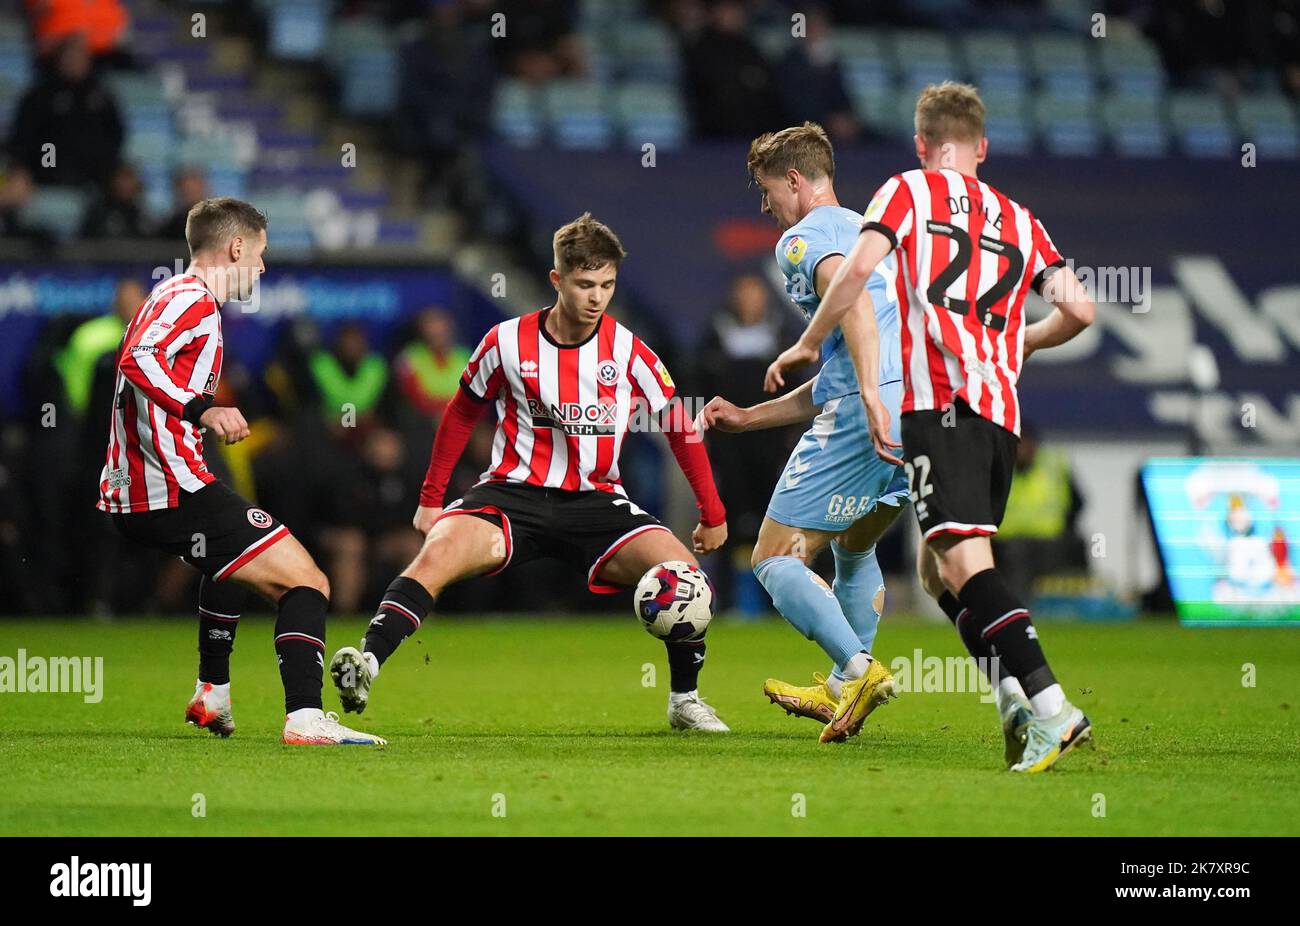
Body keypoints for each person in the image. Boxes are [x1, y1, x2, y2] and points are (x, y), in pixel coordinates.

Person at [767, 82, 1098, 772]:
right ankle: (1008, 698)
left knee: (960, 565)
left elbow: (855, 272)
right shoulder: (1019, 218)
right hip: (1001, 412)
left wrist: (807, 341)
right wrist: (1025, 342)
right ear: (982, 146)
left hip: (937, 404)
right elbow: (1082, 312)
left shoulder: (904, 193)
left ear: (921, 145)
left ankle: (1051, 706)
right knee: (936, 567)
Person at [329, 213, 733, 732]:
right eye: (585, 284)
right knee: (439, 551)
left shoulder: (628, 350)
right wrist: (431, 497)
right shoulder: (506, 341)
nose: (597, 298)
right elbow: (461, 413)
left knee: (688, 581)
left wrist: (712, 510)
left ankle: (683, 701)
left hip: (596, 502)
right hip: (510, 495)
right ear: (557, 279)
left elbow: (679, 424)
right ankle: (367, 664)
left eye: (607, 285)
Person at [96, 196, 385, 746]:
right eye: (260, 252)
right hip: (169, 488)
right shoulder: (192, 299)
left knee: (230, 563)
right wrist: (203, 408)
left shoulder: (178, 296)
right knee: (306, 581)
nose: (263, 266)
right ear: (235, 246)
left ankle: (212, 692)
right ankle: (305, 718)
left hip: (153, 489)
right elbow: (135, 357)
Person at [697, 121, 908, 743]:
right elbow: (845, 362)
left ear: (794, 179)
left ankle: (858, 668)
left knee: (773, 558)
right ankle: (845, 691)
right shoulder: (876, 233)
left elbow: (857, 310)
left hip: (861, 416)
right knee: (856, 546)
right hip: (916, 414)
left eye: (768, 192)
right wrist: (748, 416)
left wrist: (867, 395)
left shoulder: (802, 240)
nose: (767, 208)